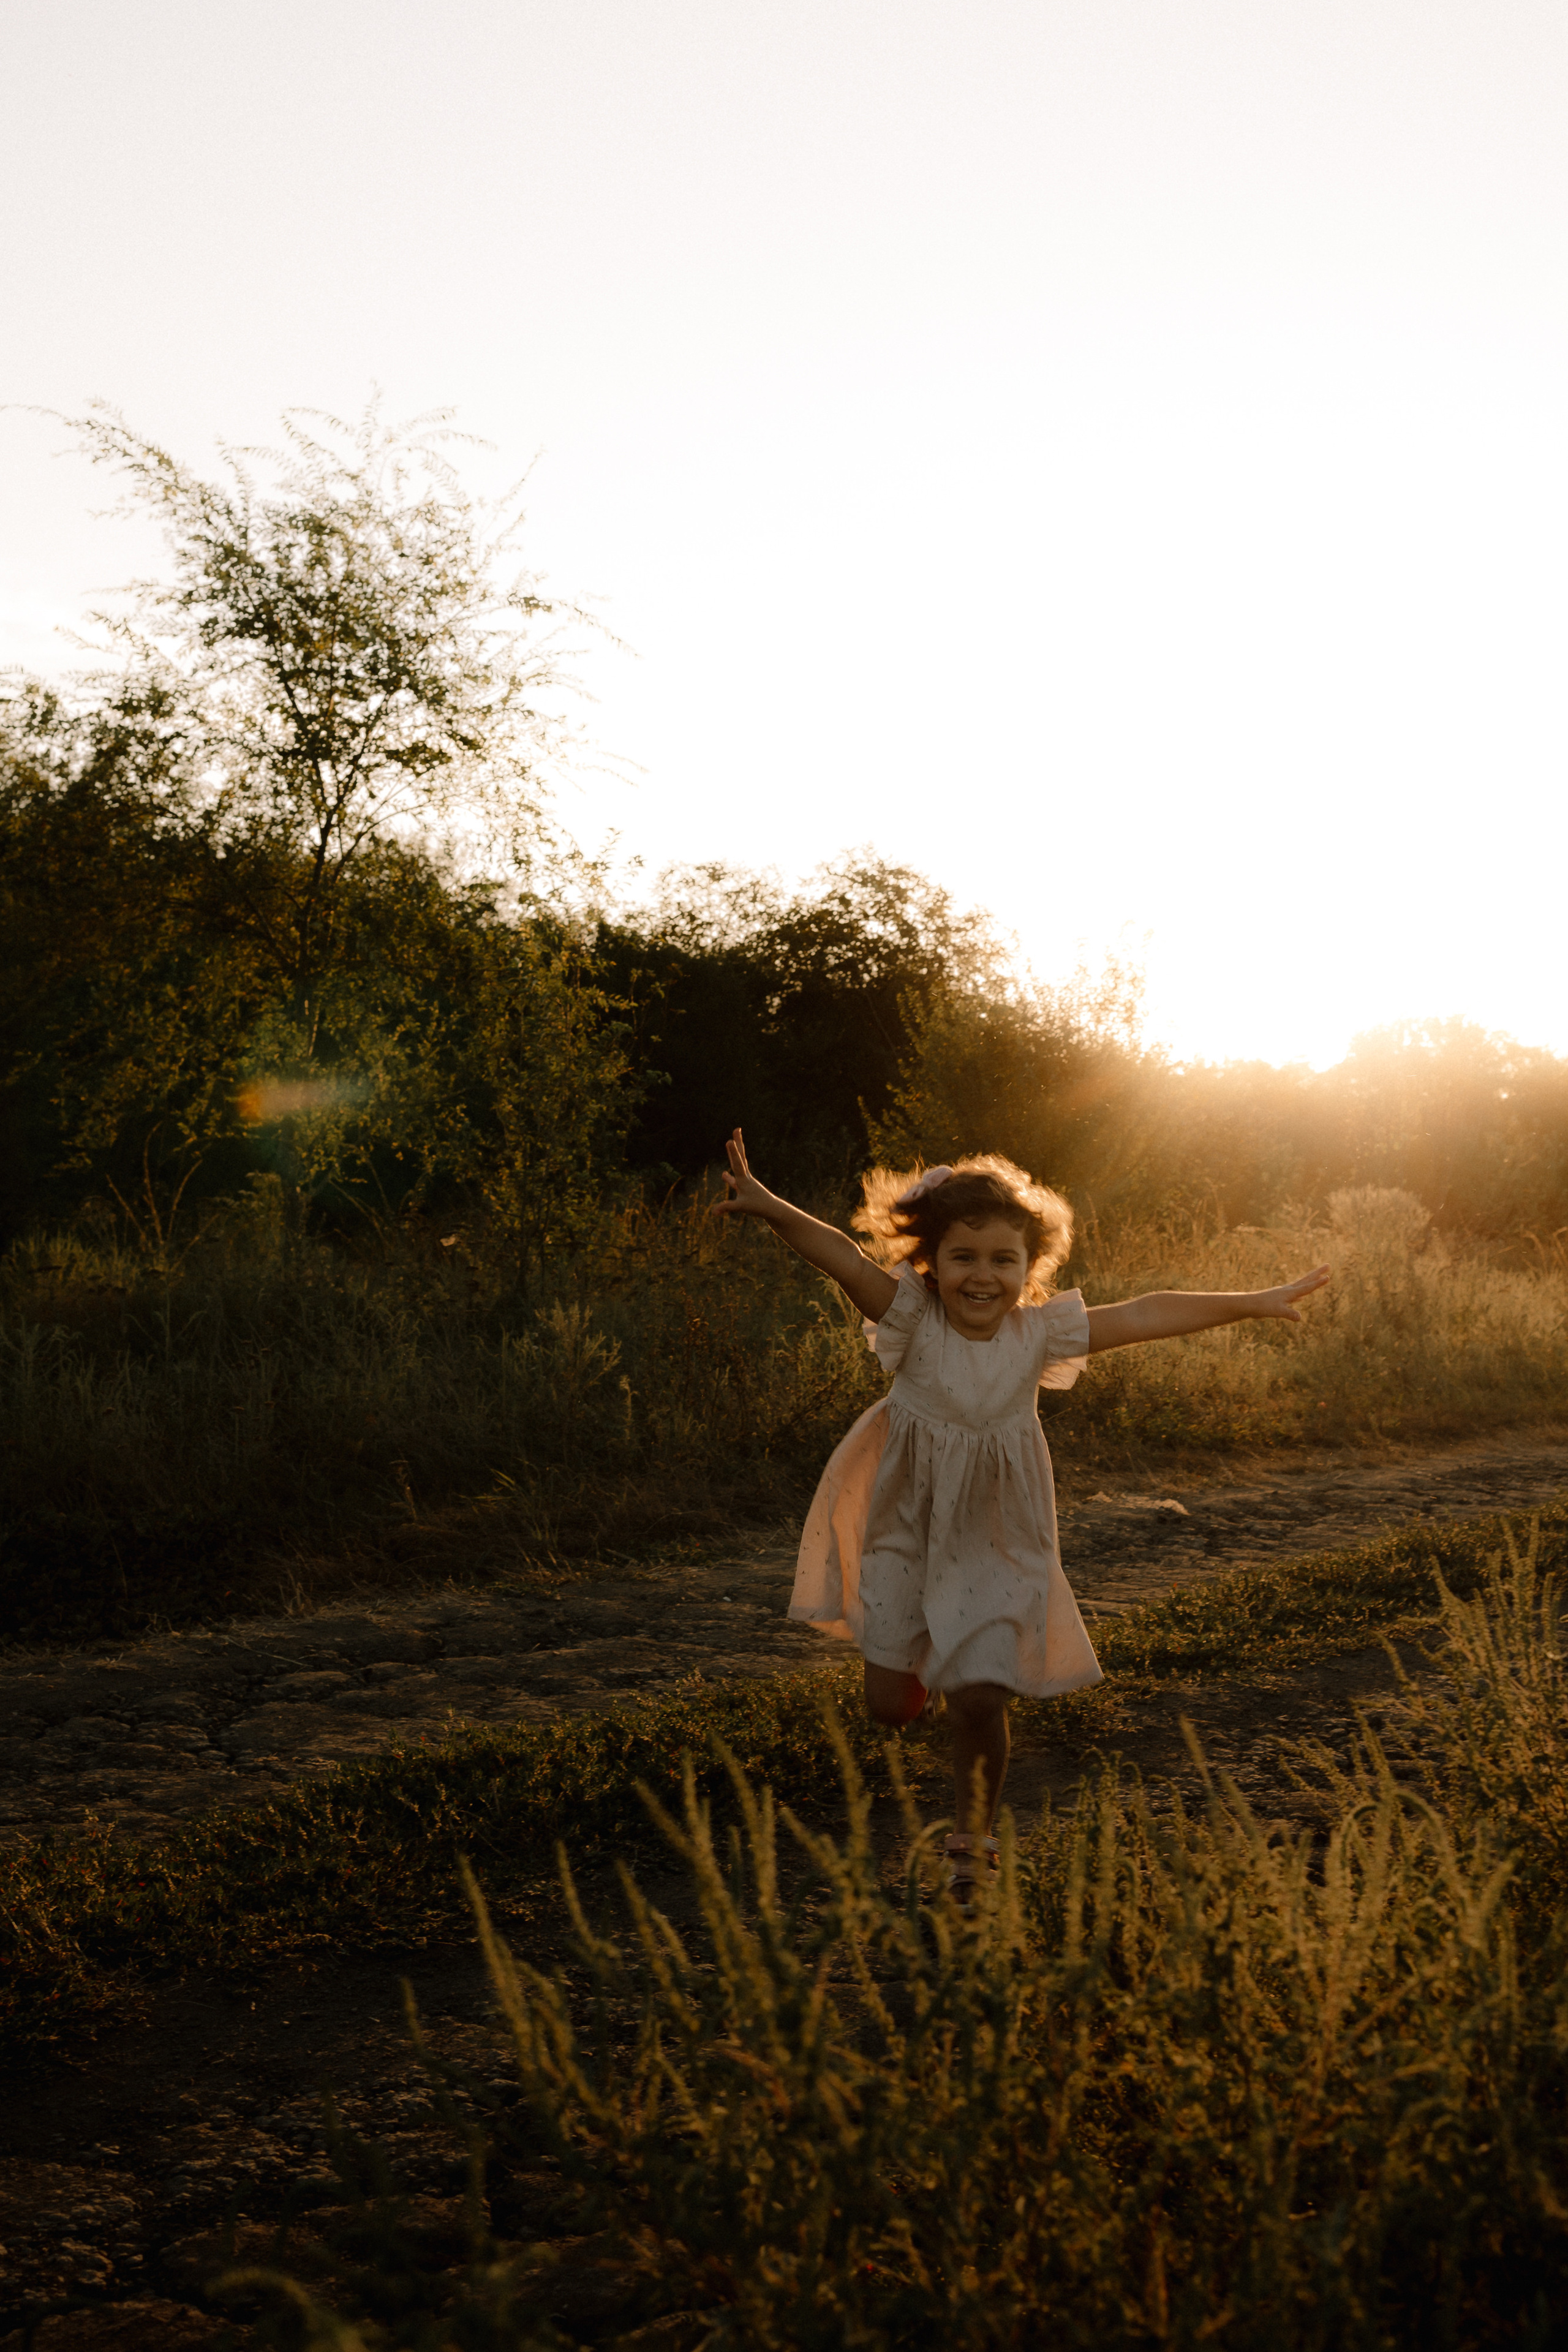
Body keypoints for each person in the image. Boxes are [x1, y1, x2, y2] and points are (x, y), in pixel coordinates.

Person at [714, 1129, 1330, 1900]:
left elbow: (1143, 1313)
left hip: (999, 1536)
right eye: (963, 1258)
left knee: (979, 1696)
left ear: (1028, 1269)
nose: (983, 1276)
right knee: (887, 1709)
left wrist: (1250, 1303)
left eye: (1003, 1260)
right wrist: (771, 1208)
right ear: (930, 1264)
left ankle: (971, 1846)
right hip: (906, 1525)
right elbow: (840, 1255)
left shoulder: (1039, 1334)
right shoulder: (910, 1319)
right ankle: (920, 1667)